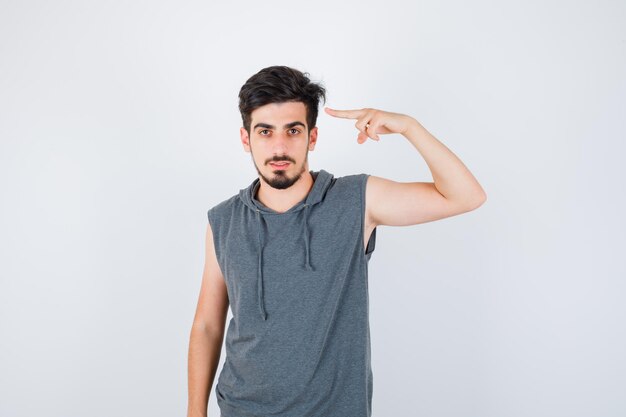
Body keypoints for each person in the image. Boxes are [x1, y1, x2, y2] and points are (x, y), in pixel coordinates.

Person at [187, 65, 486, 417]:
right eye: (265, 132)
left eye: (293, 131)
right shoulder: (223, 220)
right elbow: (207, 324)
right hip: (241, 409)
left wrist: (409, 127)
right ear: (245, 138)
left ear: (312, 137)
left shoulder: (355, 201)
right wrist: (195, 412)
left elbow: (465, 196)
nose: (279, 147)